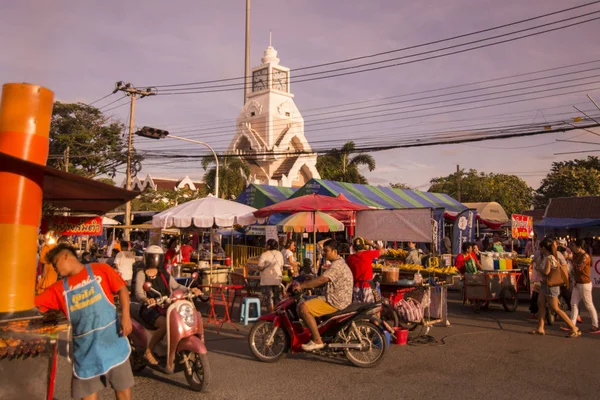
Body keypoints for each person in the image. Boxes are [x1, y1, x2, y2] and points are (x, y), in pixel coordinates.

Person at [35, 243, 133, 400]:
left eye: (55, 264)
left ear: (65, 256)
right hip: (86, 351)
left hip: (113, 342)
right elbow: (33, 303)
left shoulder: (100, 269)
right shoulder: (58, 289)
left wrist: (126, 317)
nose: (55, 269)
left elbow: (122, 289)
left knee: (123, 391)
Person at [135, 245, 201, 365]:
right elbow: (139, 292)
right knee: (165, 325)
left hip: (166, 305)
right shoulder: (142, 274)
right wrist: (146, 299)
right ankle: (149, 350)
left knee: (182, 320)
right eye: (152, 257)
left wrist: (190, 289)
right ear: (147, 258)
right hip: (149, 308)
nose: (155, 260)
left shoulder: (164, 274)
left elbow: (176, 286)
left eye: (157, 257)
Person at [294, 239, 354, 351]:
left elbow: (321, 280)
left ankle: (317, 340)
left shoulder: (337, 266)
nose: (323, 253)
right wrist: (311, 279)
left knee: (304, 308)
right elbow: (324, 280)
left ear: (335, 251)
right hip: (336, 298)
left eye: (326, 251)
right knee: (307, 299)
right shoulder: (338, 263)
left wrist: (302, 286)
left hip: (334, 301)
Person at [530, 238, 580, 337]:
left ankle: (574, 328)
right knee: (541, 304)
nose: (540, 249)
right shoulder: (548, 256)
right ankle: (540, 327)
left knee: (555, 308)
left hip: (550, 285)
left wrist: (538, 267)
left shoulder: (549, 258)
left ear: (544, 248)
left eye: (541, 247)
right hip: (545, 284)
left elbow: (546, 272)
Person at [568, 239, 599, 334]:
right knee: (573, 303)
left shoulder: (585, 256)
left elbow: (579, 267)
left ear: (579, 247)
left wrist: (570, 259)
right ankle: (572, 324)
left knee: (588, 305)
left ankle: (595, 325)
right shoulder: (577, 255)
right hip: (578, 283)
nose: (572, 248)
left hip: (584, 284)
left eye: (573, 246)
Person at [346, 237, 385, 303]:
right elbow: (382, 251)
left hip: (356, 287)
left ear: (353, 248)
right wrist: (372, 244)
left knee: (357, 309)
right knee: (369, 308)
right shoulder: (368, 254)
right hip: (367, 286)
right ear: (364, 246)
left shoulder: (350, 258)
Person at [257, 239, 284, 312]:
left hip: (266, 280)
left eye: (266, 244)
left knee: (268, 298)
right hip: (277, 279)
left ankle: (271, 315)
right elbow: (281, 266)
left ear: (268, 246)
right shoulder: (279, 254)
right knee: (277, 298)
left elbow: (260, 267)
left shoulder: (264, 254)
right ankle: (277, 314)